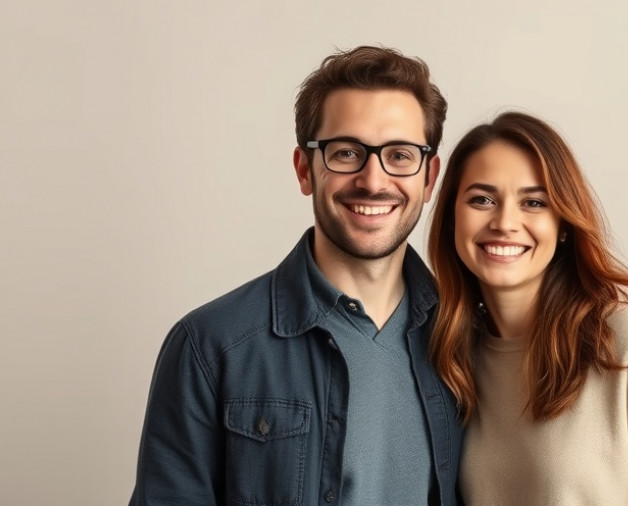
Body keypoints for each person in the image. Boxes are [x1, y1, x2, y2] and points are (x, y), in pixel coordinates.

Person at [130, 46, 462, 506]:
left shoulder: (465, 336)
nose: (373, 179)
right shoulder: (209, 346)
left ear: (428, 178)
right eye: (346, 152)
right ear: (306, 169)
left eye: (400, 155)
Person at [427, 111, 628, 505]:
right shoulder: (450, 360)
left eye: (533, 202)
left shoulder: (626, 343)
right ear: (453, 216)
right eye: (482, 199)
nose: (505, 222)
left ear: (564, 223)